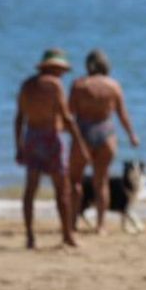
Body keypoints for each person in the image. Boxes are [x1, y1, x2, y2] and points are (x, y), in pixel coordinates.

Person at [13, 48, 89, 249]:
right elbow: (66, 117)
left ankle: (30, 237)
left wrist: (19, 146)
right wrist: (80, 144)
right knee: (62, 190)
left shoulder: (27, 85)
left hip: (32, 137)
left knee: (30, 190)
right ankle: (67, 235)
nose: (63, 73)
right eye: (61, 69)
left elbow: (20, 118)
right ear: (54, 68)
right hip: (52, 139)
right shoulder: (55, 85)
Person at [67, 48, 140, 233]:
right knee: (102, 182)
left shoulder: (79, 85)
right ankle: (101, 226)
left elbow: (70, 114)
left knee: (75, 181)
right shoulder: (113, 86)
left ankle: (72, 223)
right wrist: (132, 135)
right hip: (106, 135)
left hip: (83, 134)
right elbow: (122, 114)